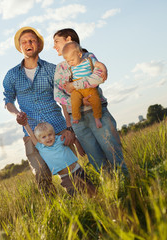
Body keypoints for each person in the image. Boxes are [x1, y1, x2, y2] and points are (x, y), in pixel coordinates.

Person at [2, 26, 75, 195]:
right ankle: (54, 213)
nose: (28, 44)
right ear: (20, 47)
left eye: (32, 40)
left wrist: (70, 128)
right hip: (32, 134)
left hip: (58, 128)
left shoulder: (52, 69)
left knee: (71, 173)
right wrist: (17, 114)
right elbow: (8, 101)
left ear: (39, 45)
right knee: (42, 176)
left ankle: (82, 204)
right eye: (24, 42)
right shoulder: (12, 75)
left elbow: (65, 100)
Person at [53, 28, 127, 174]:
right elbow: (58, 94)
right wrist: (79, 101)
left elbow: (99, 77)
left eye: (56, 41)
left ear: (68, 40)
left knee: (113, 153)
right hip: (78, 120)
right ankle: (111, 190)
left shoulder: (88, 57)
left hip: (97, 112)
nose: (54, 46)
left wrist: (75, 85)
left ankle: (128, 187)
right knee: (97, 161)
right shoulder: (60, 67)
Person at [25, 122, 96, 196]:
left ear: (54, 134)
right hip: (64, 177)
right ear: (39, 140)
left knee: (90, 190)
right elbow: (31, 135)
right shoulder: (41, 147)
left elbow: (73, 139)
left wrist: (78, 145)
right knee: (74, 196)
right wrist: (25, 124)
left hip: (77, 170)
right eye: (44, 137)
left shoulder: (59, 139)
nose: (48, 138)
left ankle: (98, 200)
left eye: (50, 134)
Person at [62, 41, 106, 128]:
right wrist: (67, 84)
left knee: (96, 100)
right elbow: (70, 79)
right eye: (68, 61)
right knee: (74, 99)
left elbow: (100, 65)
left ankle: (97, 118)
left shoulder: (88, 61)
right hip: (77, 88)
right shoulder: (71, 68)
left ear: (79, 55)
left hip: (88, 87)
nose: (70, 62)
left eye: (72, 60)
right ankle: (76, 117)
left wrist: (104, 70)